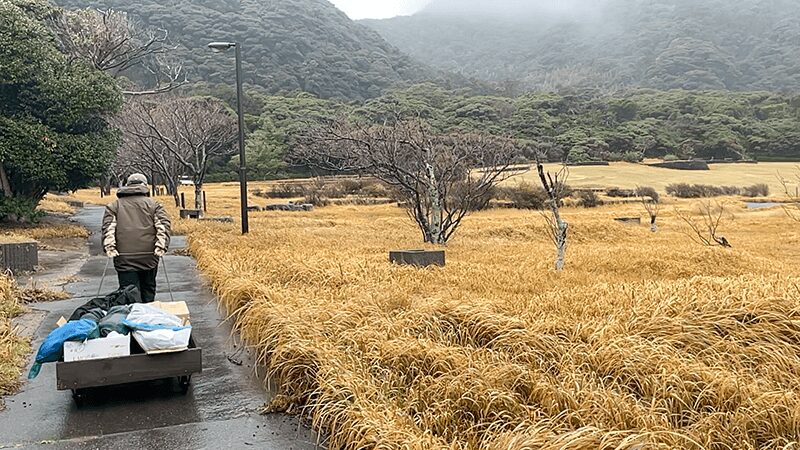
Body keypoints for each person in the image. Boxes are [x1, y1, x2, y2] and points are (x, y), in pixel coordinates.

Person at [101, 173, 171, 303]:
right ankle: (148, 316)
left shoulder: (114, 206)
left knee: (128, 293)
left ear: (127, 186)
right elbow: (163, 227)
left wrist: (109, 248)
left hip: (124, 258)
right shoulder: (154, 205)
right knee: (148, 290)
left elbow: (108, 228)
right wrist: (161, 246)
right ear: (145, 186)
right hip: (149, 256)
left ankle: (132, 318)